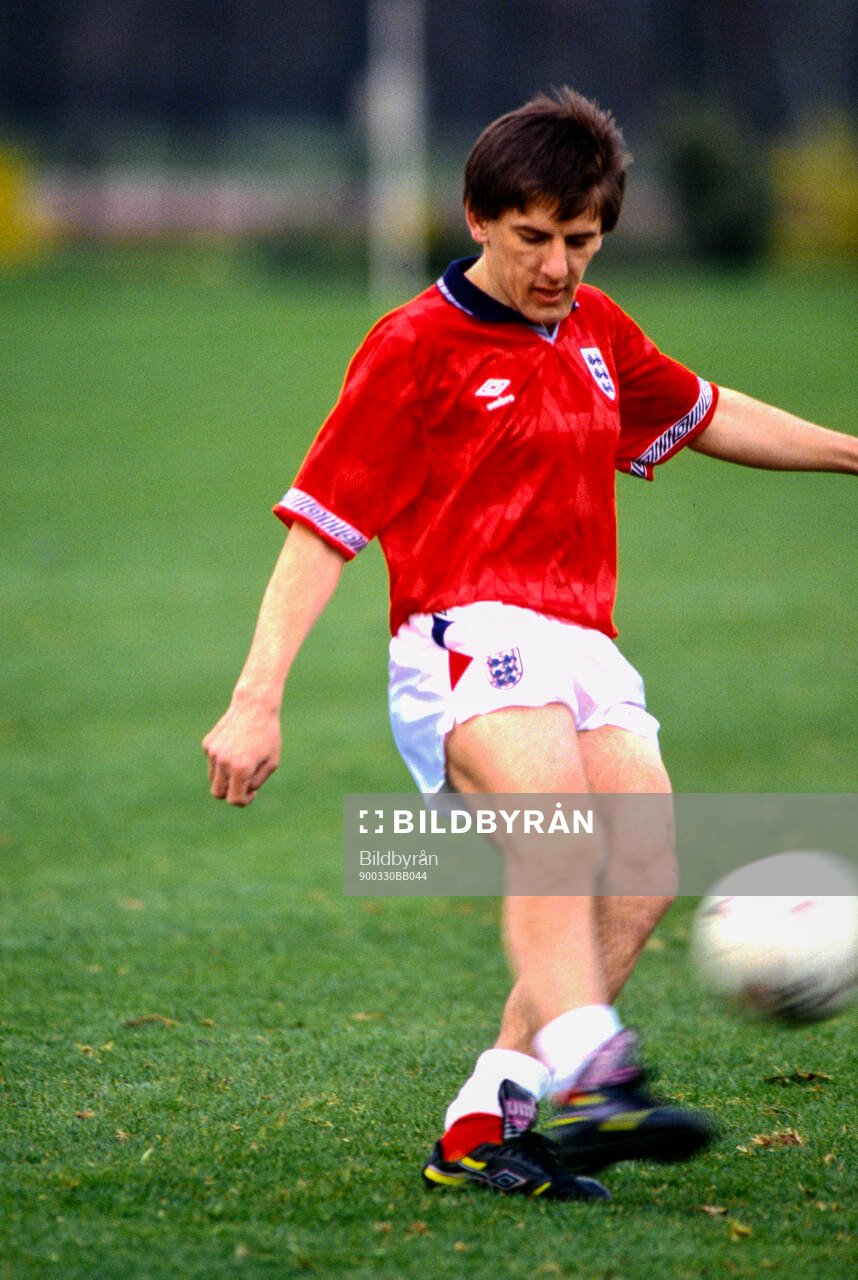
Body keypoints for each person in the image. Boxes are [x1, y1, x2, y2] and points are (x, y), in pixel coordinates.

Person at [203, 88, 858, 1201]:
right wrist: (256, 696)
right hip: (461, 635)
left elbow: (706, 413)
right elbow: (322, 526)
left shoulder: (598, 332)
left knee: (642, 867)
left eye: (582, 241)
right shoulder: (413, 345)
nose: (558, 266)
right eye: (533, 238)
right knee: (555, 825)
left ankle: (487, 1121)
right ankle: (596, 1073)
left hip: (583, 644)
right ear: (475, 215)